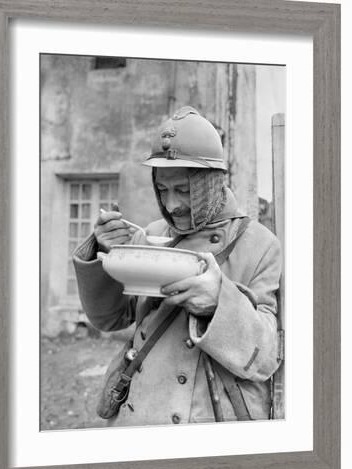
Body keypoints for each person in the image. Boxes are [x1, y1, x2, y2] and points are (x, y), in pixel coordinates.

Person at [73, 106, 282, 427]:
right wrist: (101, 251)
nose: (171, 205)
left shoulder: (259, 244)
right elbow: (109, 319)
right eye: (162, 190)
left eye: (184, 190)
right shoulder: (153, 234)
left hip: (206, 427)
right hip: (139, 419)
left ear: (211, 184)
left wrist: (218, 302)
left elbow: (266, 357)